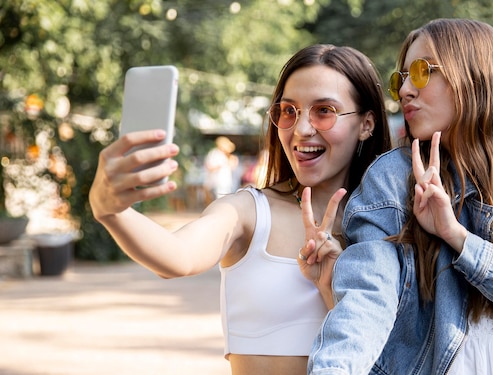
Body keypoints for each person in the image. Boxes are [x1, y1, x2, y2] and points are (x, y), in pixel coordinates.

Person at [307, 19, 493, 375]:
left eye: (420, 72)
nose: (404, 90)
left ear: (477, 76)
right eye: (399, 79)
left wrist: (460, 240)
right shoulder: (393, 178)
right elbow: (367, 299)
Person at [88, 44, 391, 375]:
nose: (301, 129)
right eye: (289, 110)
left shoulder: (391, 227)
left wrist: (332, 291)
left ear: (366, 124)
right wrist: (111, 212)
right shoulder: (248, 212)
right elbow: (177, 256)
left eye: (324, 110)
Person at [203, 136, 239, 201]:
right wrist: (221, 165)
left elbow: (232, 167)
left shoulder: (225, 155)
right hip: (217, 182)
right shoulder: (214, 154)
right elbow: (209, 167)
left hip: (225, 183)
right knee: (219, 201)